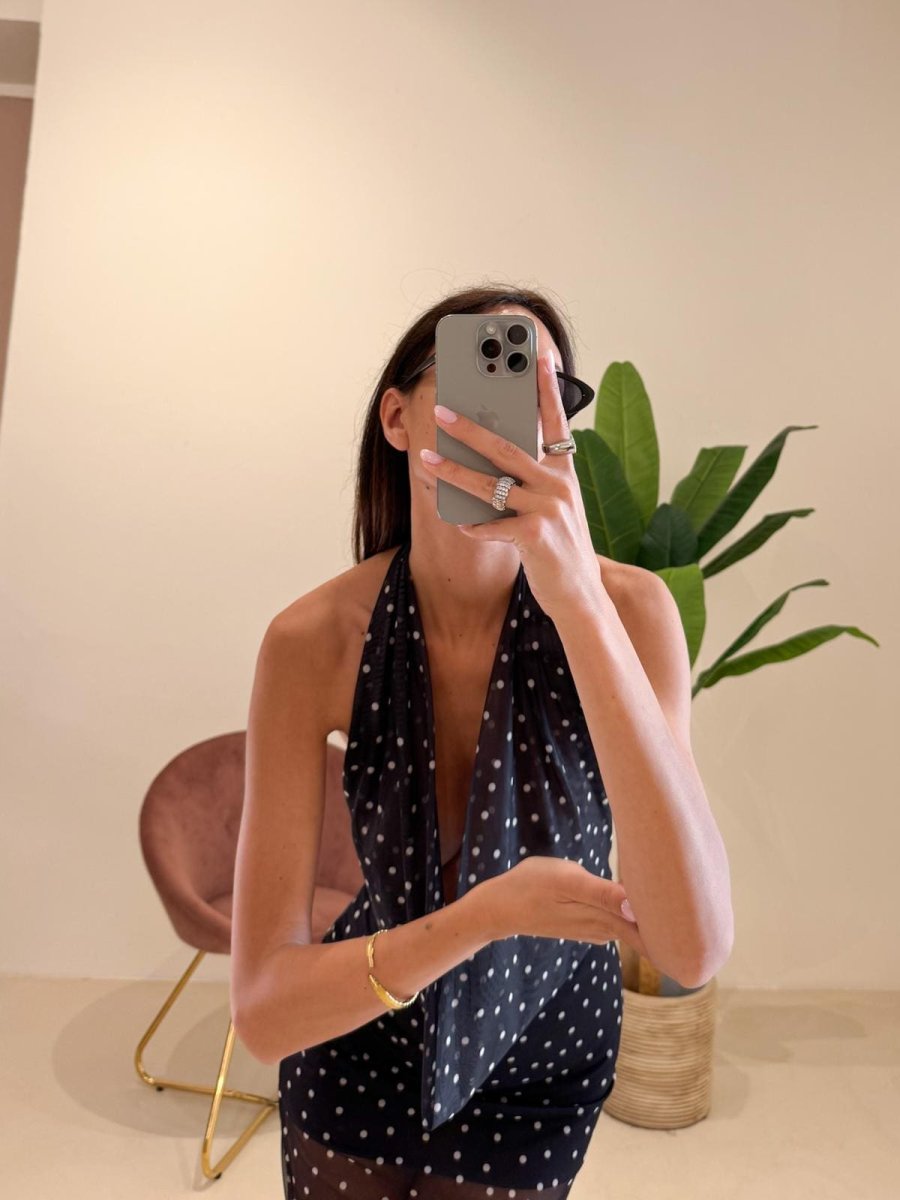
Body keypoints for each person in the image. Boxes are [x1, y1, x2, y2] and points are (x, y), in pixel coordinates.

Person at [231, 284, 732, 1198]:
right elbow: (263, 1014)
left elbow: (693, 946)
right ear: (398, 418)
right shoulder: (314, 642)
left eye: (547, 396)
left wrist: (577, 599)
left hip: (544, 1053)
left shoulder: (631, 613)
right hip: (361, 1027)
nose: (517, 423)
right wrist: (485, 916)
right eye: (490, 380)